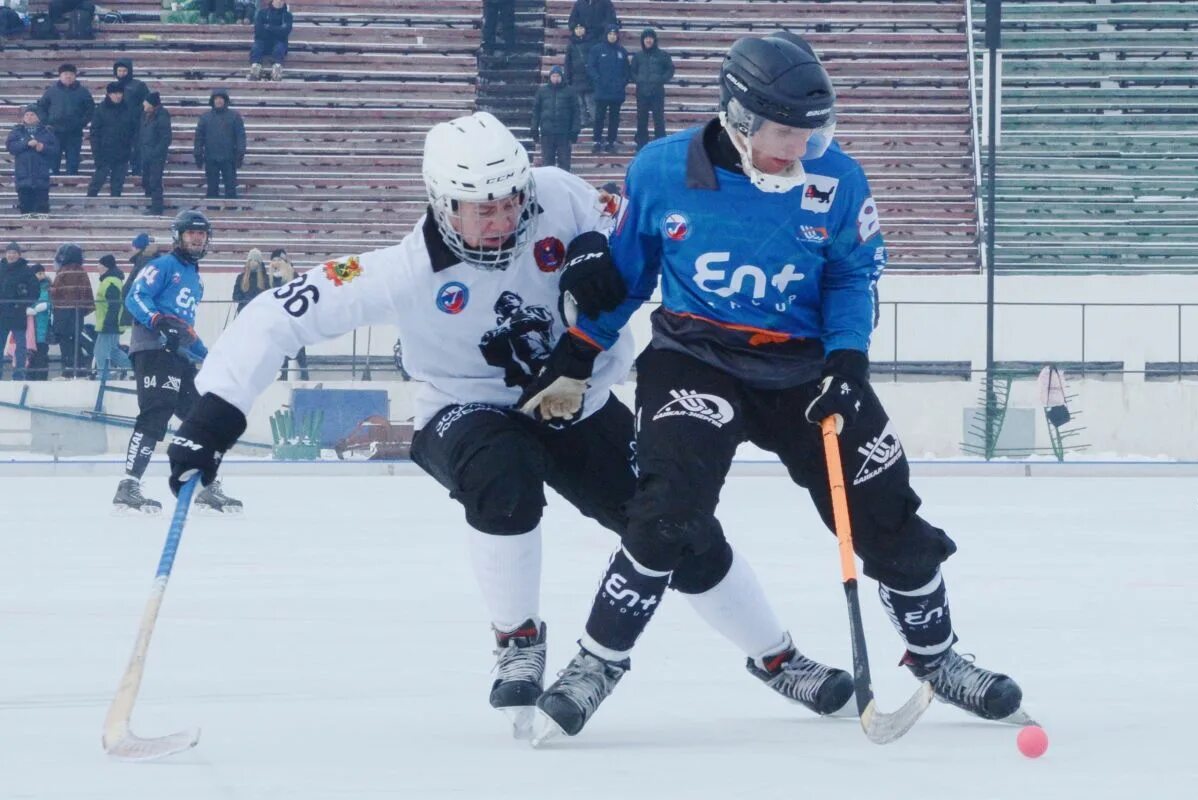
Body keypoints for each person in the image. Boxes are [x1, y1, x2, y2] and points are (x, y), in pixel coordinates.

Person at [164, 111, 854, 740]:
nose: (500, 219)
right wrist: (211, 417)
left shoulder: (557, 192)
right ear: (441, 203)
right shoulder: (399, 271)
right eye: (479, 209)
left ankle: (777, 657)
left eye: (509, 201)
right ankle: (518, 639)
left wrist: (593, 242)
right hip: (466, 411)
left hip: (575, 404)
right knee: (504, 479)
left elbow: (634, 217)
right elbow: (274, 317)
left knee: (680, 531)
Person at [523, 31, 1027, 741]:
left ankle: (938, 659)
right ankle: (596, 663)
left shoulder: (837, 178)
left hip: (807, 370)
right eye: (784, 134)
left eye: (809, 133)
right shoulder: (664, 169)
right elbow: (630, 276)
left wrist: (849, 361)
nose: (797, 149)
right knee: (668, 512)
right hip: (696, 357)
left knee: (887, 517)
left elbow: (852, 274)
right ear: (737, 117)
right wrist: (579, 351)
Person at [115, 210, 243, 514]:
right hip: (153, 349)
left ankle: (203, 487)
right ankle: (128, 486)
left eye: (201, 234)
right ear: (178, 237)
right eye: (191, 233)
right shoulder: (162, 265)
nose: (197, 239)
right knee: (156, 413)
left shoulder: (196, 281)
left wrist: (210, 358)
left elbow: (186, 331)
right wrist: (156, 319)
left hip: (178, 356)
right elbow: (135, 297)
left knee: (203, 420)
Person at [36, 63, 93, 175]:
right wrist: (46, 122)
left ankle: (70, 184)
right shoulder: (51, 91)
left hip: (74, 132)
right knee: (53, 159)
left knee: (73, 159)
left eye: (71, 74)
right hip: (54, 132)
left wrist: (81, 123)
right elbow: (41, 108)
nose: (68, 76)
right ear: (60, 76)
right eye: (65, 74)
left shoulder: (83, 92)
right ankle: (53, 183)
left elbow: (90, 109)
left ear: (75, 76)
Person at [48, 243, 94, 379]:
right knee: (75, 340)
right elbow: (86, 292)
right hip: (78, 311)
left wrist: (49, 290)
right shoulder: (82, 271)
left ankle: (68, 371)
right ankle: (79, 370)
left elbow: (56, 292)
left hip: (63, 312)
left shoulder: (64, 271)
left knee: (65, 340)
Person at [87, 82, 138, 197]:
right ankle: (89, 202)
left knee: (118, 182)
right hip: (104, 151)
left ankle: (115, 205)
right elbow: (94, 133)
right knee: (98, 180)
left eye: (120, 93)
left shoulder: (128, 109)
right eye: (115, 93)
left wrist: (131, 147)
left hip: (123, 151)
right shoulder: (101, 109)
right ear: (109, 94)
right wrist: (96, 151)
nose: (118, 95)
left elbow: (134, 130)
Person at [194, 88, 246, 199]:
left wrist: (240, 155)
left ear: (225, 100)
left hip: (229, 158)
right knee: (212, 188)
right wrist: (198, 154)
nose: (218, 101)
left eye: (221, 98)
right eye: (216, 98)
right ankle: (212, 211)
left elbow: (240, 137)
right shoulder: (205, 117)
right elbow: (199, 138)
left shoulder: (234, 117)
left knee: (231, 188)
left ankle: (231, 212)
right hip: (211, 158)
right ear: (212, 101)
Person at [7, 106, 58, 217]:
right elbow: (11, 147)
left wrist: (43, 148)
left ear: (38, 117)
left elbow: (55, 150)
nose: (29, 117)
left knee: (42, 211)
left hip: (41, 177)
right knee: (26, 211)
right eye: (27, 115)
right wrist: (26, 144)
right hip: (23, 177)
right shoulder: (17, 131)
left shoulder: (47, 132)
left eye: (32, 115)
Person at [266, 248, 309, 380]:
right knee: (281, 344)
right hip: (279, 315)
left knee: (298, 344)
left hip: (293, 314)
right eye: (273, 260)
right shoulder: (271, 277)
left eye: (278, 260)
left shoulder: (293, 275)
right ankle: (283, 372)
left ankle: (304, 371)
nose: (276, 262)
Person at [586, 24, 629, 154]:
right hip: (602, 91)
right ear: (606, 35)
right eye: (610, 34)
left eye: (614, 34)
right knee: (599, 117)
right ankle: (597, 141)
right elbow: (591, 67)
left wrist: (622, 83)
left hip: (617, 92)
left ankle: (611, 142)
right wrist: (598, 80)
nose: (612, 36)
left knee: (614, 118)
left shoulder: (622, 51)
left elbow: (627, 71)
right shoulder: (597, 49)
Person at [630, 28, 674, 151]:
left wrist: (661, 79)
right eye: (646, 38)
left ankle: (660, 142)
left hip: (657, 92)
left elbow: (670, 70)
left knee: (658, 119)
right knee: (641, 118)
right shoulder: (638, 56)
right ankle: (641, 143)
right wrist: (638, 79)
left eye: (650, 38)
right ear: (642, 40)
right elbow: (632, 71)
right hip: (642, 92)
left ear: (654, 40)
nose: (648, 40)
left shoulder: (663, 55)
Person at [0, 241, 38, 380]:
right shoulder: (1, 268)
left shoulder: (26, 270)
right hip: (2, 312)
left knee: (21, 345)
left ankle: (19, 374)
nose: (11, 255)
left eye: (14, 252)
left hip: (17, 312)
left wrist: (24, 304)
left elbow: (35, 290)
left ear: (19, 255)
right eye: (9, 252)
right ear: (6, 253)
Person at [531, 66, 579, 173]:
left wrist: (575, 130)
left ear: (561, 77)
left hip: (564, 133)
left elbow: (576, 112)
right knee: (547, 163)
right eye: (553, 76)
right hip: (547, 133)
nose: (555, 78)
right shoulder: (542, 91)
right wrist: (534, 128)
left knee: (564, 163)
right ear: (550, 77)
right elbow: (536, 111)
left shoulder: (570, 91)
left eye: (557, 76)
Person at [93, 254, 133, 379]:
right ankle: (134, 368)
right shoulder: (112, 280)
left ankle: (103, 375)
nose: (97, 266)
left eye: (99, 264)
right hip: (111, 322)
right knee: (113, 351)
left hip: (108, 323)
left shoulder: (110, 282)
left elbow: (114, 305)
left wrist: (108, 324)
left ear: (105, 266)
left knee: (100, 351)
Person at [134, 92, 172, 216]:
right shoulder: (146, 115)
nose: (144, 105)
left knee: (155, 182)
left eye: (146, 102)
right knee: (147, 181)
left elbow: (166, 138)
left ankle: (156, 208)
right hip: (145, 154)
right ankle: (150, 205)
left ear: (152, 104)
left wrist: (155, 153)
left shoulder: (162, 116)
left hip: (155, 156)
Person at [249, 0, 293, 82]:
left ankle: (276, 70)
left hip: (279, 42)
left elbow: (285, 31)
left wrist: (269, 27)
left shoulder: (288, 16)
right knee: (256, 47)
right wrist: (278, 29)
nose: (280, 1)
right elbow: (259, 31)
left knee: (280, 47)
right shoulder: (262, 13)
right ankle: (255, 69)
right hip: (263, 41)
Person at [564, 23, 596, 131]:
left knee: (590, 101)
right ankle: (583, 121)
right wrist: (567, 77)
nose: (579, 30)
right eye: (576, 28)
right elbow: (567, 63)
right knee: (579, 103)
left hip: (589, 78)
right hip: (576, 78)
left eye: (581, 28)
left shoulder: (591, 43)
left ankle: (595, 120)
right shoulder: (571, 45)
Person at [26, 264, 53, 382]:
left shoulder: (48, 288)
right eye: (38, 273)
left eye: (42, 272)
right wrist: (26, 309)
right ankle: (30, 378)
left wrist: (47, 305)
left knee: (42, 354)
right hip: (30, 327)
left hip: (44, 326)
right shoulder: (27, 287)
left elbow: (54, 302)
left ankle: (41, 378)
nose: (41, 275)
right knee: (30, 356)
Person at [232, 247, 269, 313]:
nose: (253, 262)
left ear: (259, 263)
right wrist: (246, 300)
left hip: (260, 311)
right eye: (251, 260)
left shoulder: (266, 278)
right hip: (244, 311)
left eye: (255, 260)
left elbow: (268, 296)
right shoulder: (240, 277)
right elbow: (235, 296)